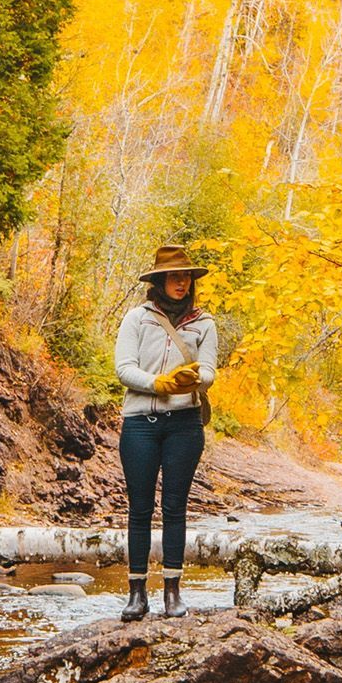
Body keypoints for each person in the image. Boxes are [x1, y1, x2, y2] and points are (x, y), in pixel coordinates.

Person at [113, 243, 217, 621]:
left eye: (186, 276)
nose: (181, 282)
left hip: (185, 426)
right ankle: (137, 594)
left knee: (176, 508)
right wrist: (160, 384)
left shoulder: (205, 323)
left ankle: (172, 593)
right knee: (139, 510)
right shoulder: (136, 319)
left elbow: (208, 372)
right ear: (159, 281)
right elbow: (124, 369)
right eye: (174, 276)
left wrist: (191, 381)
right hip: (140, 423)